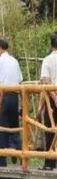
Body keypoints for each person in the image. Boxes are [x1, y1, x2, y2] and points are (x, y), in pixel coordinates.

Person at [0, 37, 22, 167]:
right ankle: (19, 152)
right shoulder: (14, 61)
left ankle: (1, 159)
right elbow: (19, 80)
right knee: (13, 127)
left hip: (2, 97)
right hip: (14, 96)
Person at [40, 32, 57, 170]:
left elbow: (46, 80)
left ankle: (50, 162)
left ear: (51, 45)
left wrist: (54, 97)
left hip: (52, 100)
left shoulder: (47, 60)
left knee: (50, 129)